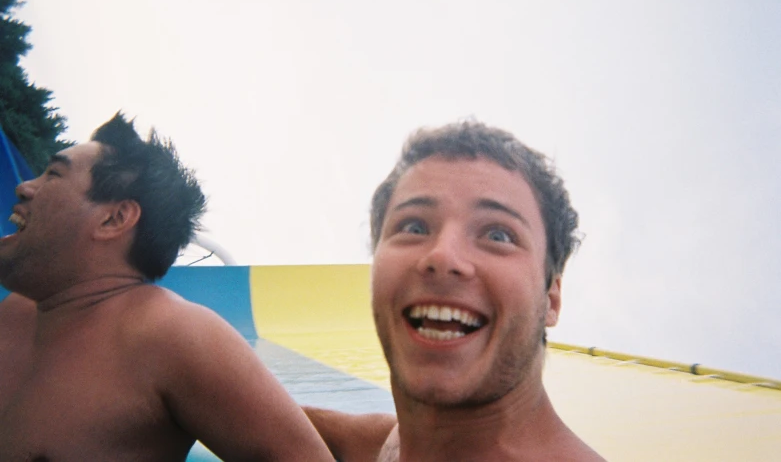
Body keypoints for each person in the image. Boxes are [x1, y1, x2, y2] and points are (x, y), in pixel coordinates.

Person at [0, 113, 334, 461]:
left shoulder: (175, 337)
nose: (25, 187)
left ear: (114, 219)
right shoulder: (14, 312)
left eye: (53, 174)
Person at [306, 121, 604, 461]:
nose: (443, 256)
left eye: (498, 235)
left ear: (551, 299)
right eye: (414, 226)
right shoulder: (394, 446)